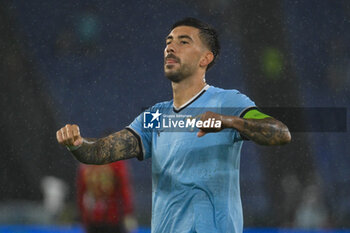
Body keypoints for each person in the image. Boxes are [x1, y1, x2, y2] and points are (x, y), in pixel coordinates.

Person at [56, 18, 291, 233]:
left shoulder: (227, 101)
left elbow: (280, 132)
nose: (170, 47)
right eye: (168, 42)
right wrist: (77, 144)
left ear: (205, 58)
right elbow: (99, 152)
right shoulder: (156, 116)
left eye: (183, 41)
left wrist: (229, 121)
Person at [77, 161, 137, 233]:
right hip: (112, 217)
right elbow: (123, 189)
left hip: (94, 218)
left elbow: (81, 193)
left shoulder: (86, 163)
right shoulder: (116, 161)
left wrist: (83, 217)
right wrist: (128, 213)